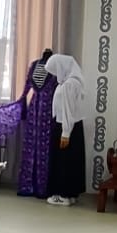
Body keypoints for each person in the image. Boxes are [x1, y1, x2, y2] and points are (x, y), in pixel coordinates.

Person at [45, 54, 87, 206]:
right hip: (71, 126)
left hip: (65, 126)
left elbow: (68, 110)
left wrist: (65, 133)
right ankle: (70, 193)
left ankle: (62, 195)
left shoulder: (69, 85)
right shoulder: (72, 82)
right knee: (70, 160)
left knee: (62, 161)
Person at [17, 49, 57, 197]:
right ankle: (38, 187)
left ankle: (32, 186)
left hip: (38, 108)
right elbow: (28, 86)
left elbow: (27, 87)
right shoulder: (47, 66)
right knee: (40, 146)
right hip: (45, 108)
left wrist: (22, 100)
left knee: (37, 146)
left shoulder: (36, 65)